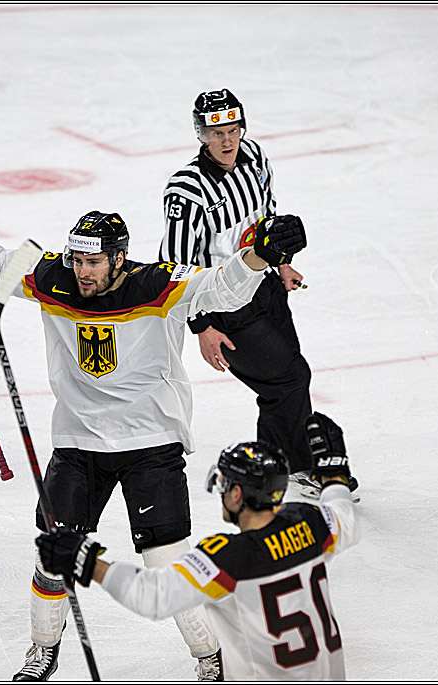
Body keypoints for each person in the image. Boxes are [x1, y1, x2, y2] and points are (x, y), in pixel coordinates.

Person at [0, 200, 307, 680]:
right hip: (78, 441)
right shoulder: (54, 279)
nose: (82, 271)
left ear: (118, 258)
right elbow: (1, 268)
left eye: (92, 262)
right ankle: (42, 650)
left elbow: (220, 289)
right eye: (76, 259)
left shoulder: (158, 284)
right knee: (52, 552)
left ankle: (210, 655)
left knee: (167, 566)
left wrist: (257, 253)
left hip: (151, 442)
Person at [35, 412, 360, 681]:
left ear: (236, 494)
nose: (219, 492)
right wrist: (335, 475)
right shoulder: (312, 523)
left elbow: (154, 595)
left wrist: (87, 561)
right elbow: (345, 515)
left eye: (223, 484)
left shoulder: (229, 558)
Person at [158, 89, 358, 500]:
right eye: (217, 133)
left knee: (285, 382)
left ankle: (278, 465)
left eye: (233, 130)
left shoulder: (254, 157)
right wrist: (202, 326)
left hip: (266, 288)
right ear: (201, 136)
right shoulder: (187, 191)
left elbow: (266, 214)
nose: (227, 141)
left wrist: (281, 260)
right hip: (226, 306)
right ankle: (300, 469)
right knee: (289, 379)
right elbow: (175, 265)